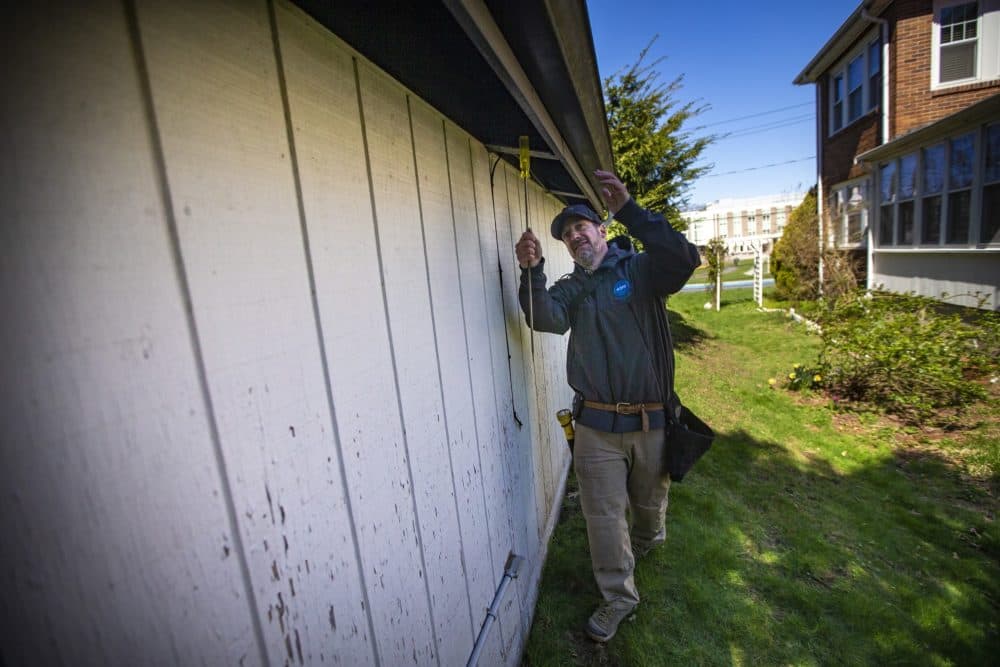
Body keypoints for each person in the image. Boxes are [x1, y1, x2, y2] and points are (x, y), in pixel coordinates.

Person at [514, 169, 700, 642]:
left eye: (582, 226)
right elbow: (543, 317)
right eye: (567, 234)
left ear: (602, 230)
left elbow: (684, 258)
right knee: (602, 514)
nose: (575, 236)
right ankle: (618, 595)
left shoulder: (640, 271)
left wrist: (632, 211)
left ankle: (648, 537)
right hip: (595, 426)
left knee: (648, 507)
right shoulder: (572, 290)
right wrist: (531, 272)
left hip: (652, 421)